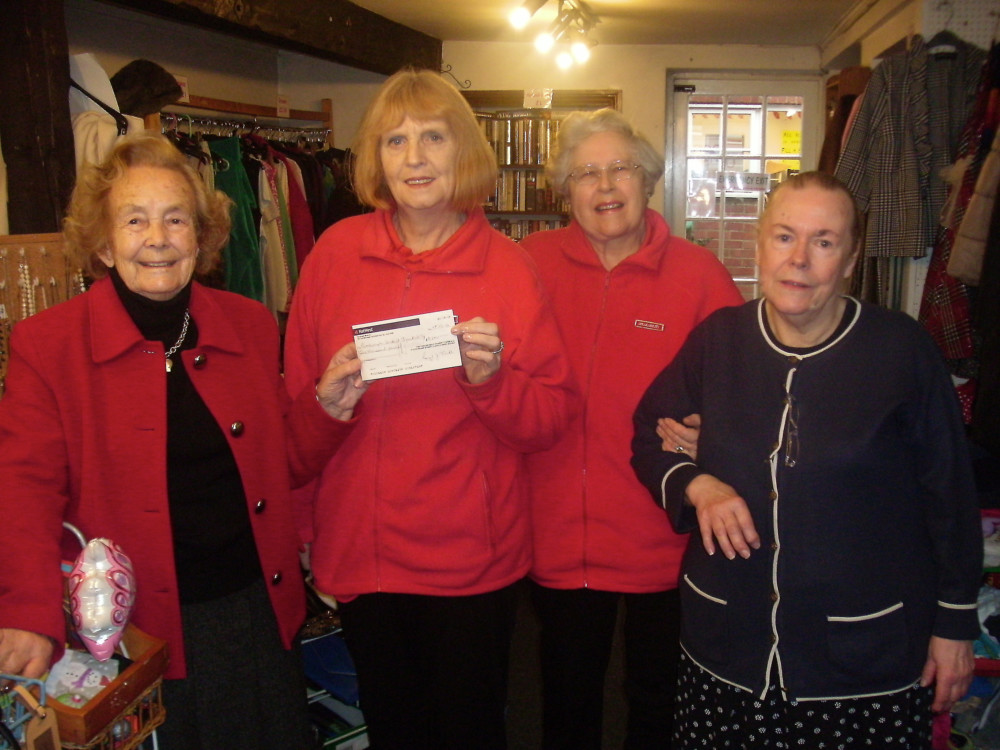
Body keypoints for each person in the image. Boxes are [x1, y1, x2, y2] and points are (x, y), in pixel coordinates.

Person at [0, 132, 367, 749]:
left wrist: (325, 411)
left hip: (249, 613)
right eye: (135, 220)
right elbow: (23, 492)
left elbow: (279, 466)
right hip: (130, 631)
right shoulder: (49, 346)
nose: (158, 238)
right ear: (103, 244)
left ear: (202, 237)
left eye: (176, 219)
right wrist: (28, 613)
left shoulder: (248, 325)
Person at [631, 171, 982, 748]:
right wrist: (698, 485)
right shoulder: (717, 341)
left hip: (862, 660)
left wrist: (954, 625)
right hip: (728, 650)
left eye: (823, 241)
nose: (799, 259)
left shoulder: (901, 350)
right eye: (784, 237)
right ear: (761, 242)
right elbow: (650, 434)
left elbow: (951, 496)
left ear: (850, 257)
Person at [282, 68, 575, 750]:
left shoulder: (507, 267)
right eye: (395, 140)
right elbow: (289, 429)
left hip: (469, 562)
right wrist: (327, 410)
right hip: (363, 557)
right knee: (393, 730)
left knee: (468, 732)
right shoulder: (332, 257)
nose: (414, 158)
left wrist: (492, 382)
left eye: (433, 137)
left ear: (462, 151)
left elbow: (552, 416)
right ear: (376, 159)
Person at [518, 108, 743, 749]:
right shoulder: (527, 264)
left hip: (662, 532)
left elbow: (740, 391)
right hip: (556, 531)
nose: (605, 184)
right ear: (566, 191)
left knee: (659, 701)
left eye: (621, 168)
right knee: (565, 698)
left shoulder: (700, 275)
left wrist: (717, 436)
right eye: (586, 173)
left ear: (648, 180)